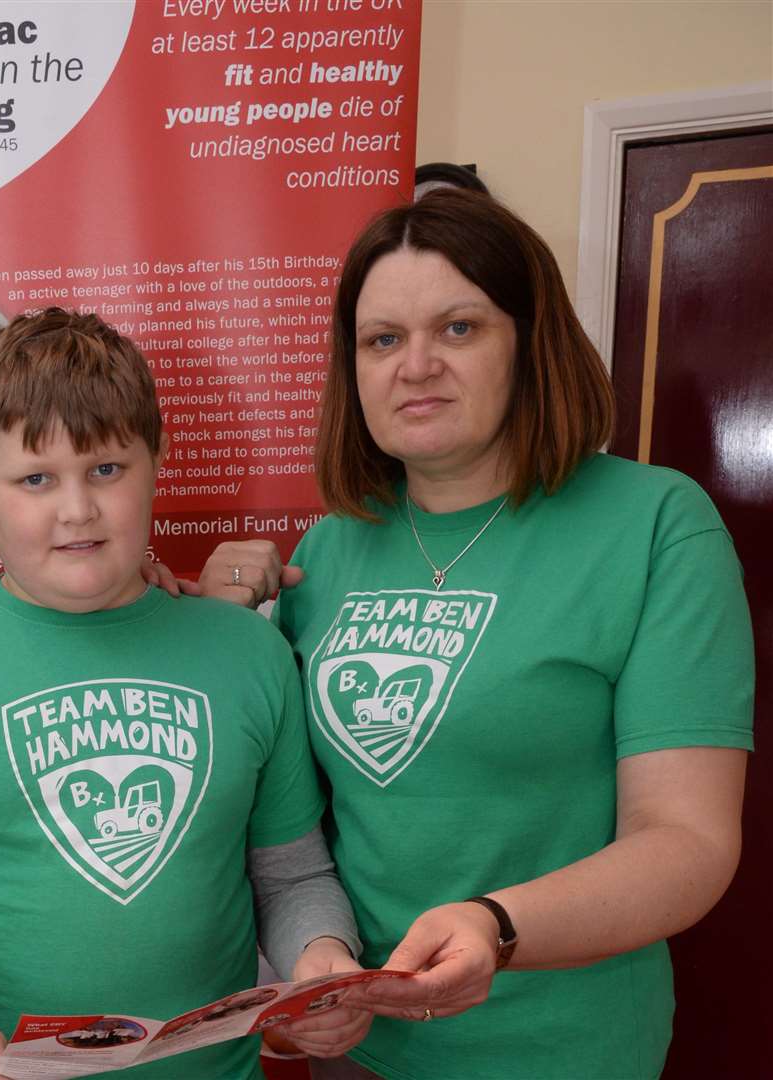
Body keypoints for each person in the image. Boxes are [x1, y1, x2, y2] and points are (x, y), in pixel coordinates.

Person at [197, 188, 754, 1078]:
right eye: (382, 340)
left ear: (528, 343)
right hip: (363, 1043)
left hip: (562, 1048)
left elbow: (686, 843)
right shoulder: (329, 547)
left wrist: (496, 926)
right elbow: (288, 827)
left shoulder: (652, 524)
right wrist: (201, 633)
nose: (414, 365)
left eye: (457, 328)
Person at [0, 308, 370, 1078]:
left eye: (106, 469)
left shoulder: (250, 652)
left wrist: (324, 957)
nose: (76, 509)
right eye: (33, 479)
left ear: (156, 461)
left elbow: (292, 876)